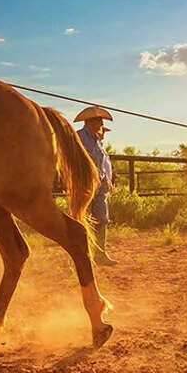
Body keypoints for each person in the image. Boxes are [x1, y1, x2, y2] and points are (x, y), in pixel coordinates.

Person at [75, 106, 118, 266]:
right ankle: (83, 257)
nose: (101, 124)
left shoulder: (96, 140)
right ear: (89, 122)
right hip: (85, 183)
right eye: (99, 120)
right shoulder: (79, 137)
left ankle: (100, 254)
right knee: (83, 220)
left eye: (101, 121)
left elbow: (102, 163)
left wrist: (107, 179)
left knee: (102, 219)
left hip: (99, 185)